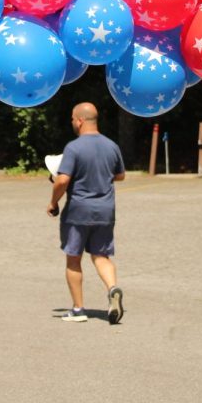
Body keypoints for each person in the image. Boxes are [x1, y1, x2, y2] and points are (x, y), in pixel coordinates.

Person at [46, 102, 126, 323]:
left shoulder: (74, 147)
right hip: (105, 210)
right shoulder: (112, 146)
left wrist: (53, 202)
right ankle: (112, 288)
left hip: (78, 211)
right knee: (101, 255)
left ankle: (78, 309)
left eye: (72, 119)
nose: (72, 122)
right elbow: (120, 175)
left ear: (79, 120)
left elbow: (62, 179)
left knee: (74, 259)